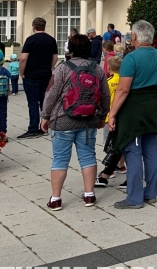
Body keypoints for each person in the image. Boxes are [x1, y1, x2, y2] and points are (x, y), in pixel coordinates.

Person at [108, 20, 157, 209]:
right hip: (152, 106)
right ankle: (151, 193)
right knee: (151, 149)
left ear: (135, 36)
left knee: (133, 151)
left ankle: (134, 198)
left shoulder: (131, 58)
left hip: (134, 109)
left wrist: (112, 113)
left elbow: (123, 89)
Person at [41, 34, 110, 211]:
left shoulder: (62, 68)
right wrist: (102, 117)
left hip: (63, 120)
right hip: (88, 121)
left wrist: (45, 116)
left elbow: (51, 94)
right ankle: (89, 195)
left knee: (60, 159)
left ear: (70, 50)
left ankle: (56, 198)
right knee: (88, 156)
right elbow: (105, 95)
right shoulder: (97, 69)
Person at [19, 17, 59, 139]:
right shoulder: (51, 40)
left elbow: (23, 58)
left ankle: (33, 128)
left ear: (33, 27)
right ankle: (45, 126)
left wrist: (22, 73)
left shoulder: (30, 39)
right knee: (44, 101)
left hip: (31, 74)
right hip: (45, 74)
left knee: (33, 102)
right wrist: (50, 67)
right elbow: (55, 57)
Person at [95, 55, 126, 187]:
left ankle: (109, 169)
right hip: (122, 116)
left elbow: (103, 99)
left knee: (110, 145)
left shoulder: (108, 81)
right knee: (121, 143)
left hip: (109, 116)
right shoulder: (124, 81)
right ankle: (121, 165)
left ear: (108, 68)